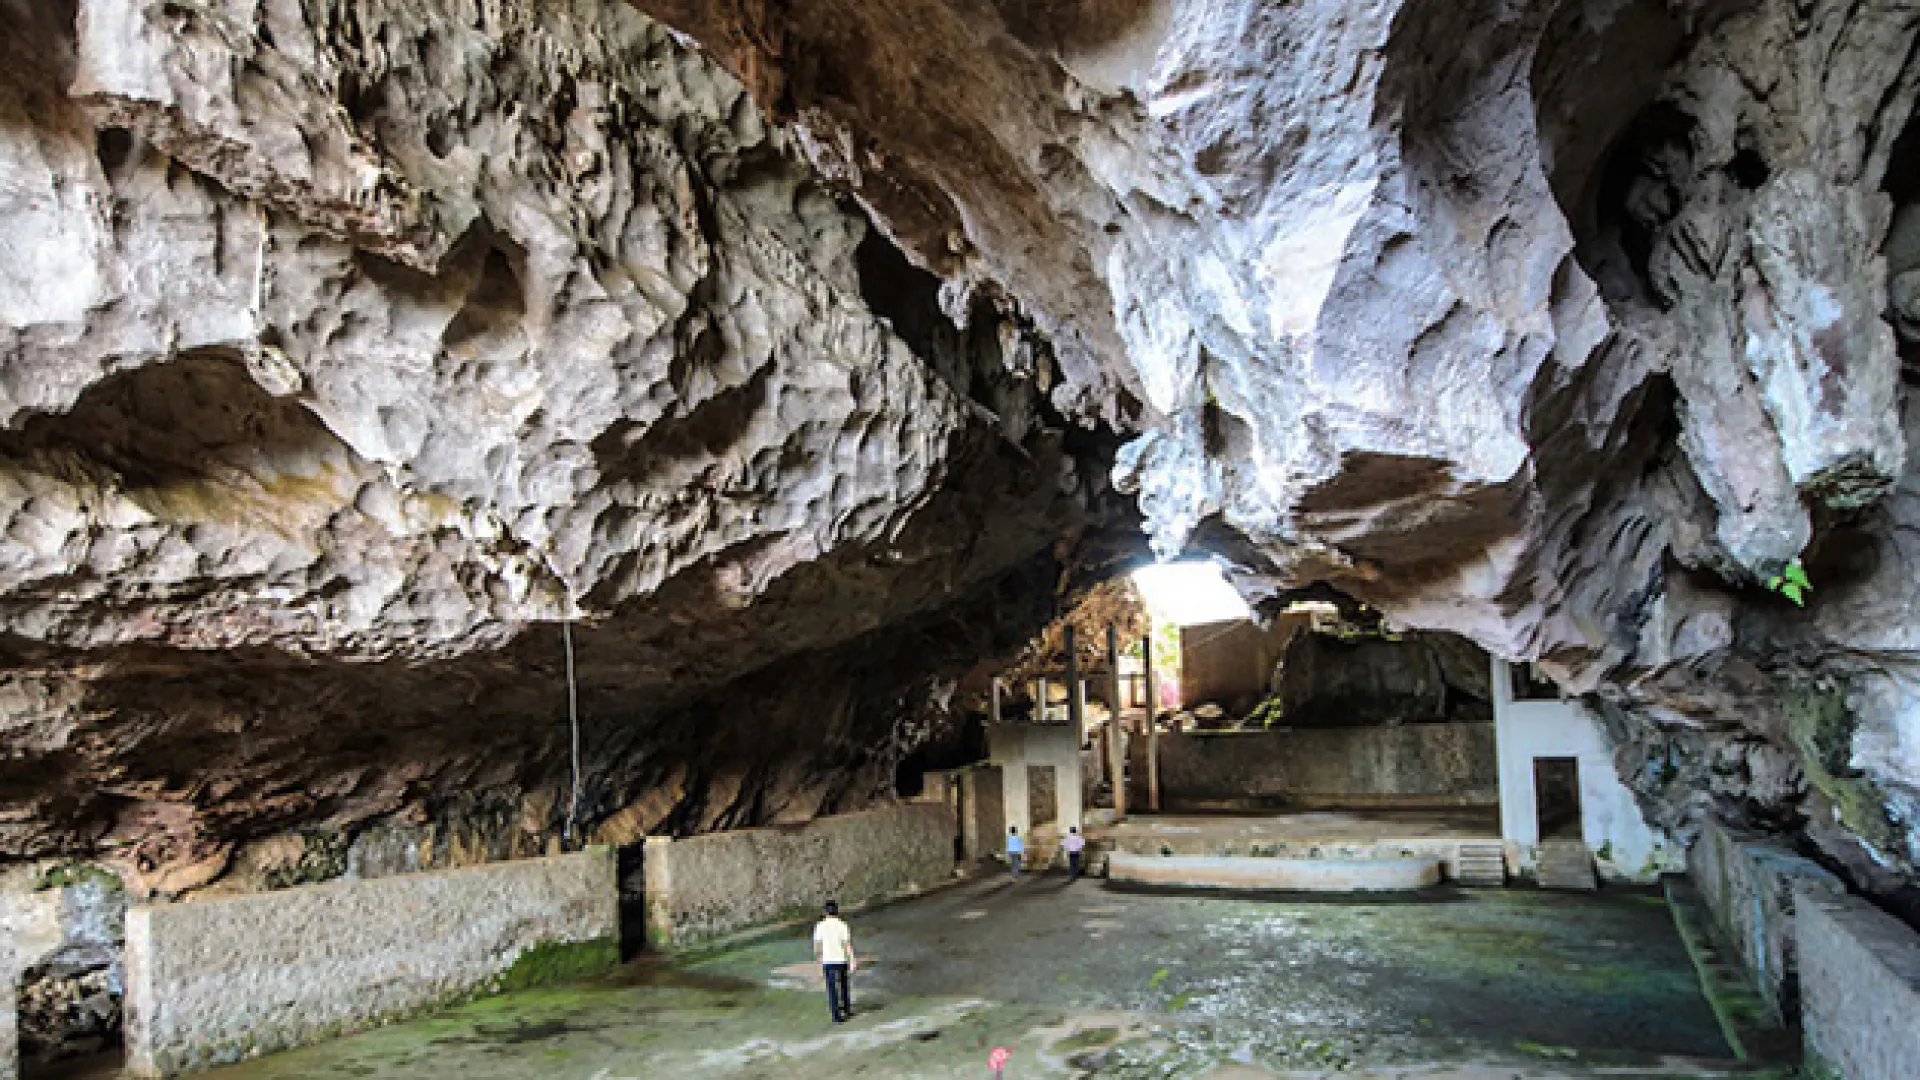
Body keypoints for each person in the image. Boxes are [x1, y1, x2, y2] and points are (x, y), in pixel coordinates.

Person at [812, 900, 858, 1022]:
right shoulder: (842, 925)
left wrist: (819, 960)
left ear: (826, 912)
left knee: (832, 988)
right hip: (841, 959)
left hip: (828, 961)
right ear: (837, 911)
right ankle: (847, 1010)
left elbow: (817, 947)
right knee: (844, 986)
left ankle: (836, 1015)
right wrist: (853, 959)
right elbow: (847, 944)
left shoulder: (820, 926)